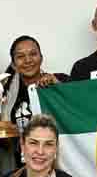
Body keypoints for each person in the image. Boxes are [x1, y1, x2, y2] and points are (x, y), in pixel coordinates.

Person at [4, 35, 71, 169]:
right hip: (24, 170)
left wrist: (59, 87)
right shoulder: (8, 96)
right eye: (21, 56)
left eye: (33, 54)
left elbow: (78, 110)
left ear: (41, 57)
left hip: (62, 167)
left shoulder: (59, 81)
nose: (28, 60)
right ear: (14, 64)